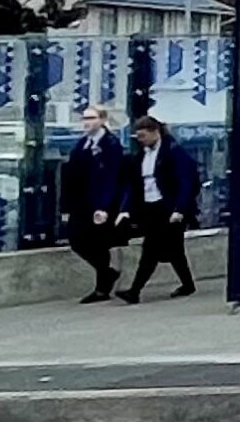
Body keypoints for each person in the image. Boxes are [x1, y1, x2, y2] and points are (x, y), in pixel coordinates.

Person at [119, 116, 203, 304]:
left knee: (150, 249)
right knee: (174, 250)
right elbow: (134, 184)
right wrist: (126, 209)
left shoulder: (174, 152)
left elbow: (186, 183)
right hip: (151, 207)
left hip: (169, 208)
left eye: (143, 136)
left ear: (155, 132)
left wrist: (179, 209)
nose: (140, 140)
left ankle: (134, 291)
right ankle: (188, 284)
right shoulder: (142, 155)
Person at [61, 105, 131, 304]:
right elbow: (71, 176)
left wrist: (104, 206)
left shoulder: (111, 144)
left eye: (91, 118)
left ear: (102, 120)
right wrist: (66, 207)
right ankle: (107, 273)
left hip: (101, 205)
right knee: (77, 240)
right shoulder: (82, 144)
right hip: (81, 204)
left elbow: (112, 177)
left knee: (98, 243)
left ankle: (102, 287)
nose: (86, 122)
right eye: (84, 118)